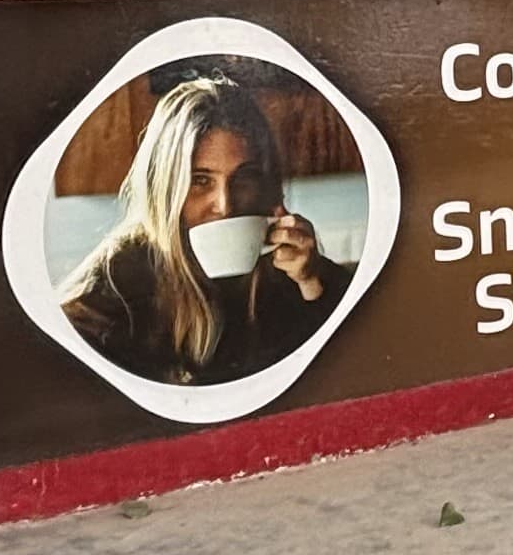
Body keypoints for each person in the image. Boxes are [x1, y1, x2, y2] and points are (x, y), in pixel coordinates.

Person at [58, 74, 346, 383]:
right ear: (165, 189)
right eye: (200, 180)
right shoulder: (112, 290)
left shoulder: (286, 268)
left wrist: (314, 282)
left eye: (243, 178)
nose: (224, 204)